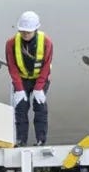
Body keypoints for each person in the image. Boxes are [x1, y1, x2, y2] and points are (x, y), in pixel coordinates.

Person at [6, 11, 53, 146]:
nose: (25, 35)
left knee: (40, 107)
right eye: (23, 31)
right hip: (22, 80)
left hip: (40, 79)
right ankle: (21, 140)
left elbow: (46, 66)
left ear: (35, 30)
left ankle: (41, 139)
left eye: (28, 32)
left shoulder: (46, 42)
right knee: (20, 108)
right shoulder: (11, 43)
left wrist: (39, 88)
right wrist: (19, 89)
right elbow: (12, 67)